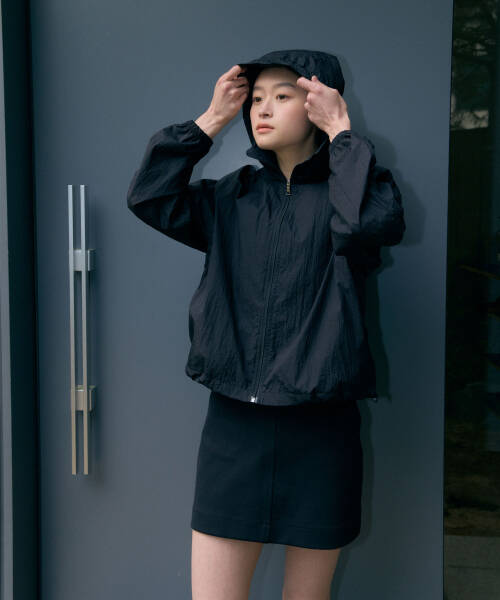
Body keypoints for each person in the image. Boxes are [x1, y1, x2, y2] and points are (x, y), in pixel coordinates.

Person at [127, 49, 406, 600]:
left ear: (317, 103)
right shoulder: (230, 197)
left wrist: (342, 132)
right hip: (235, 427)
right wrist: (211, 120)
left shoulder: (354, 192)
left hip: (321, 428)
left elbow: (365, 227)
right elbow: (150, 195)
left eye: (282, 96)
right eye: (256, 98)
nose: (263, 109)